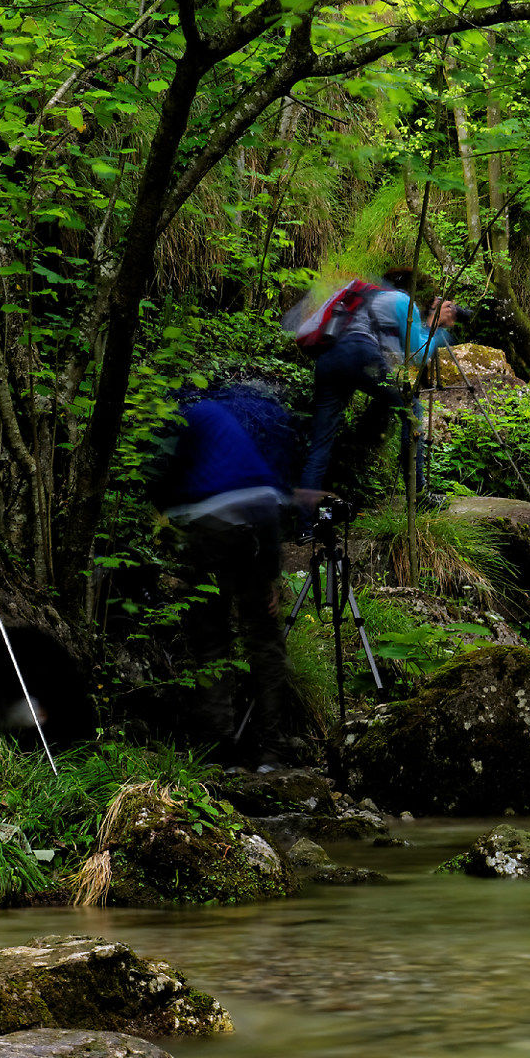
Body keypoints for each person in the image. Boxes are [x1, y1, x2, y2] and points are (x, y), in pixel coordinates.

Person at [156, 380, 299, 751]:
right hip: (261, 513)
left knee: (210, 634)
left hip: (211, 522)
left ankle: (217, 742)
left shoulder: (192, 416)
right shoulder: (248, 421)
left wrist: (163, 516)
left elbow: (172, 478)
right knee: (264, 634)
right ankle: (273, 742)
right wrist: (271, 578)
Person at [298, 266, 457, 497]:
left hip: (328, 359)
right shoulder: (402, 300)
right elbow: (418, 353)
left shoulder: (366, 296)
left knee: (321, 444)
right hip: (360, 353)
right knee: (411, 408)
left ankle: (305, 529)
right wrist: (435, 326)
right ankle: (419, 494)